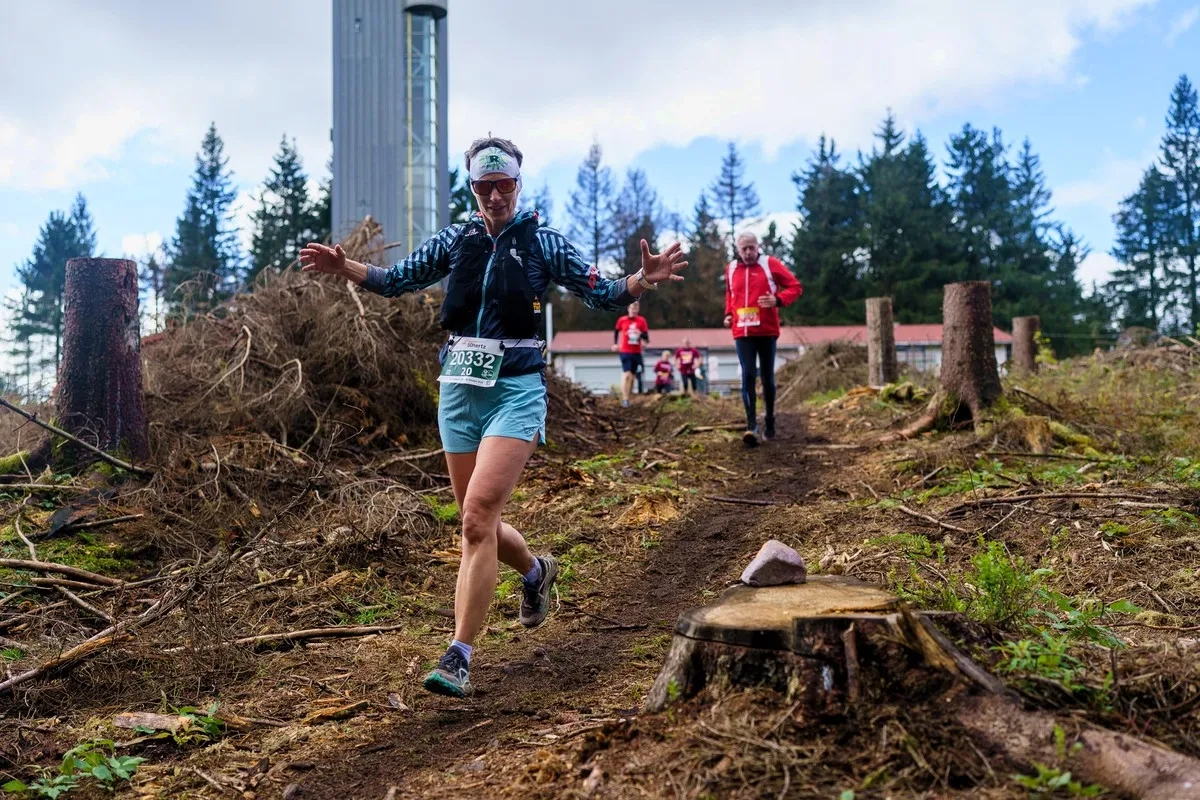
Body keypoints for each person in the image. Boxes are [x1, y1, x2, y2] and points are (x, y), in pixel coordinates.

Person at [299, 136, 687, 698]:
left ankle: (459, 654)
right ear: (473, 188)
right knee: (473, 521)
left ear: (518, 184)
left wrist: (642, 279)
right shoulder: (458, 239)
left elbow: (601, 291)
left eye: (504, 184)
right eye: (484, 186)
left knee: (478, 516)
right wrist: (346, 267)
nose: (495, 195)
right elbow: (399, 279)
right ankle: (535, 573)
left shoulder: (543, 242)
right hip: (458, 388)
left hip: (517, 389)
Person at [723, 231, 802, 446]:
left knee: (767, 377)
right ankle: (751, 426)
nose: (748, 252)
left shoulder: (770, 264)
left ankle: (769, 419)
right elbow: (730, 294)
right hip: (742, 332)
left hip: (767, 330)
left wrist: (777, 300)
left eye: (752, 248)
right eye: (744, 249)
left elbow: (795, 287)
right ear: (738, 250)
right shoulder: (730, 269)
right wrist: (729, 314)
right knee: (748, 374)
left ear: (758, 247)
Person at [611, 301, 649, 407]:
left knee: (632, 377)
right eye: (632, 307)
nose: (634, 310)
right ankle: (625, 398)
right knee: (626, 374)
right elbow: (616, 331)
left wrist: (641, 335)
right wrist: (615, 344)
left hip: (636, 352)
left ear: (638, 309)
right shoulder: (622, 320)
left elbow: (646, 337)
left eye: (636, 307)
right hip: (625, 351)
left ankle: (628, 397)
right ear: (628, 309)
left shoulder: (641, 321)